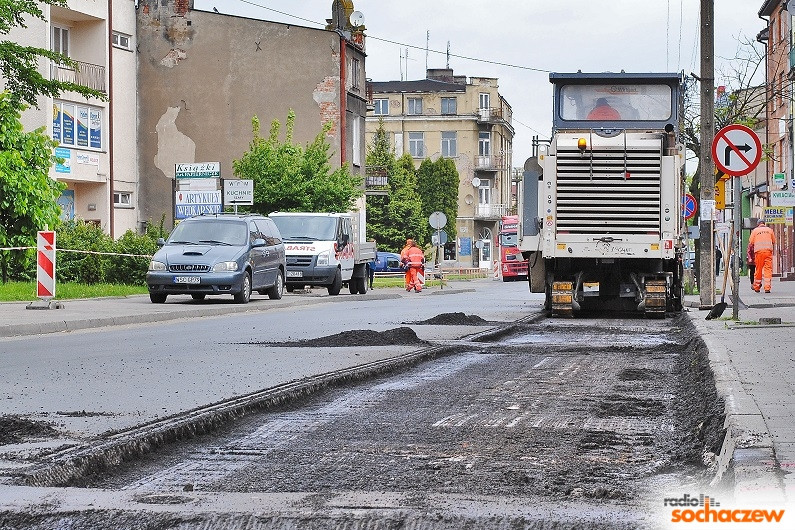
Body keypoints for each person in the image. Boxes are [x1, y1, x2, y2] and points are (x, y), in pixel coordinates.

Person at [749, 220, 776, 293]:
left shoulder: (755, 231)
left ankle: (757, 287)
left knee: (759, 269)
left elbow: (751, 242)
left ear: (758, 224)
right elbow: (773, 241)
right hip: (768, 252)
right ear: (764, 224)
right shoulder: (770, 230)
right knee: (768, 269)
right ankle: (767, 288)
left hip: (759, 253)